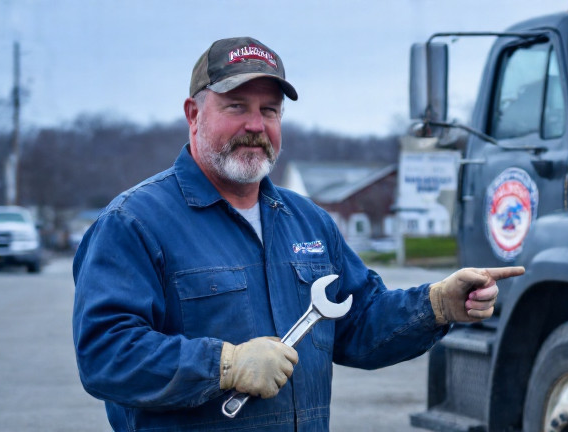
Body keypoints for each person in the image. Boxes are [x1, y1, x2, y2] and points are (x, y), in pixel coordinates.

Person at [72, 36, 525, 432]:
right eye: (236, 107)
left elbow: (359, 325)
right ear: (193, 114)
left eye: (269, 110)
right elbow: (106, 354)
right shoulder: (134, 223)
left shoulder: (309, 222)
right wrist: (223, 365)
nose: (256, 125)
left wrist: (436, 305)